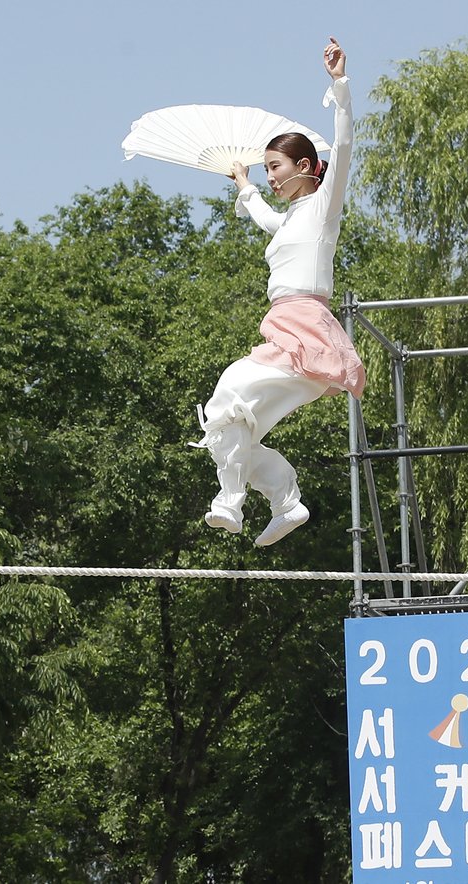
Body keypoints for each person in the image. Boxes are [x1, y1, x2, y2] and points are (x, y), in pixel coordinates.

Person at [193, 36, 366, 547]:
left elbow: (347, 145)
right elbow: (270, 219)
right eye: (267, 169)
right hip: (285, 331)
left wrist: (340, 84)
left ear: (307, 167)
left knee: (228, 394)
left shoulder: (323, 207)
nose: (270, 177)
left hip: (307, 331)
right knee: (229, 428)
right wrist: (242, 183)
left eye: (275, 168)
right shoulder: (292, 220)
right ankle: (285, 504)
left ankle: (231, 502)